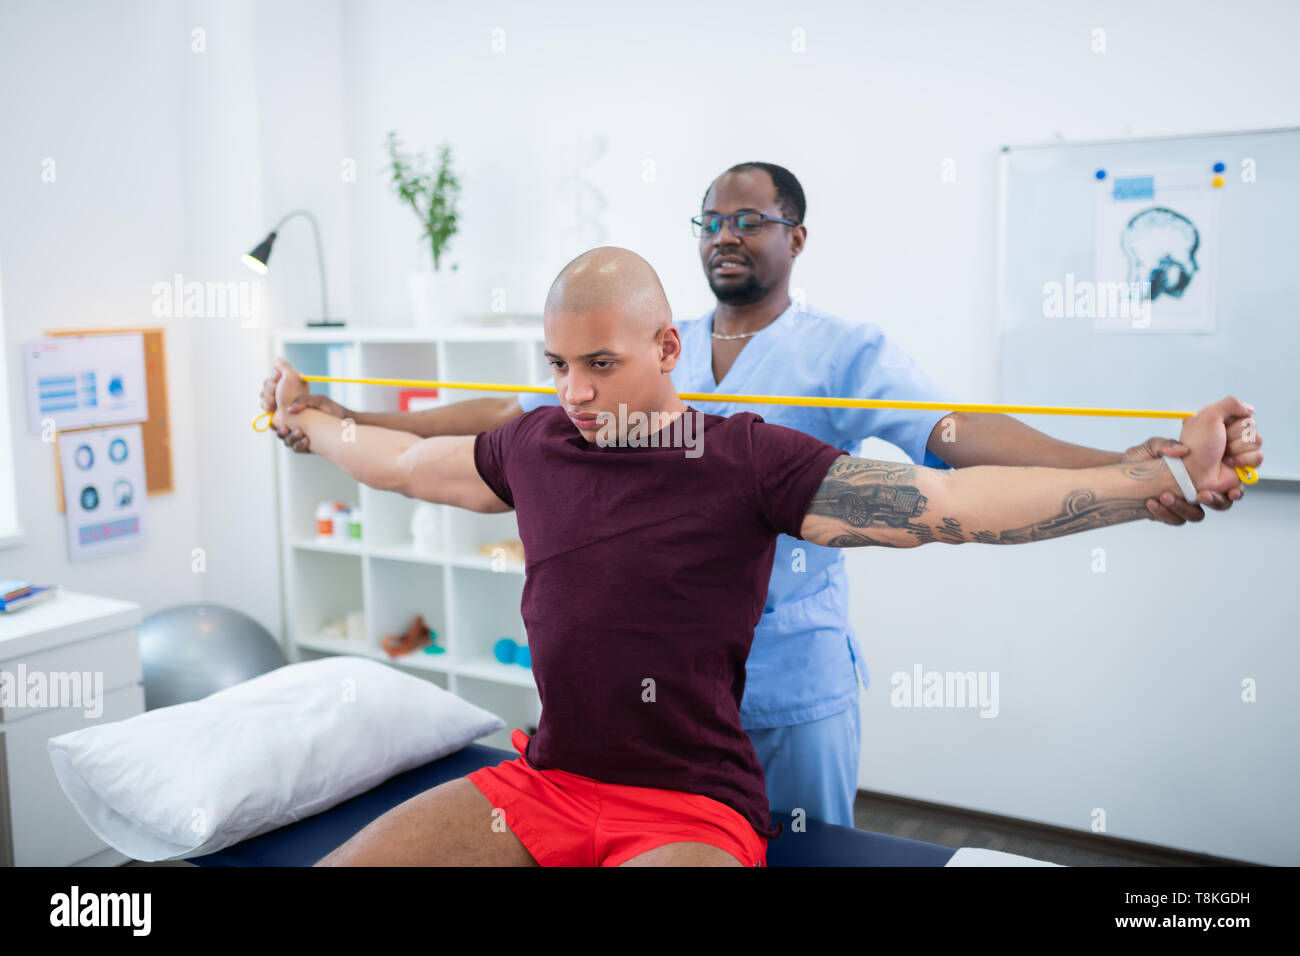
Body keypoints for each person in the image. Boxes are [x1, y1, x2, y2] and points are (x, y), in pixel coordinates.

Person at [262, 163, 1261, 827]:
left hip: (785, 668)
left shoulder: (838, 355)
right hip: (626, 712)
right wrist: (341, 413)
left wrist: (1131, 471)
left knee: (806, 850)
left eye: (752, 218)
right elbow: (492, 424)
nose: (726, 233)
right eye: (711, 218)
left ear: (797, 234)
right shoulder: (641, 345)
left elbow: (953, 463)